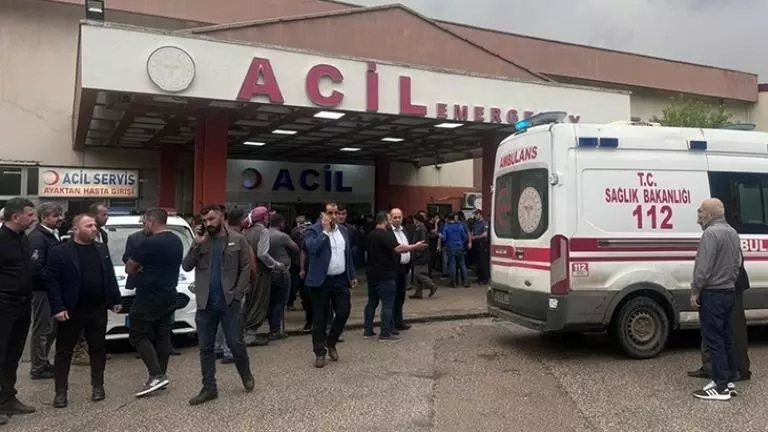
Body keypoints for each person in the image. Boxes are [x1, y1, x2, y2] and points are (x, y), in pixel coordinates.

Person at [182, 204, 254, 406]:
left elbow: (246, 267)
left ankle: (245, 373)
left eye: (212, 219)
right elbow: (186, 266)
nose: (208, 224)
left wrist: (237, 294)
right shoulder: (201, 241)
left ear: (222, 217)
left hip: (229, 303)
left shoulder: (238, 239)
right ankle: (209, 388)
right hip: (205, 304)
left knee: (235, 343)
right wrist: (196, 244)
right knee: (206, 348)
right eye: (205, 220)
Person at [47, 214, 122, 408]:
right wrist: (58, 307)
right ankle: (61, 392)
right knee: (64, 351)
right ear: (76, 229)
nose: (94, 229)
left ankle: (98, 386)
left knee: (98, 348)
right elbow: (52, 282)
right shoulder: (60, 251)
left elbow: (109, 274)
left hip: (97, 308)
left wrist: (115, 299)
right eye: (88, 226)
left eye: (94, 225)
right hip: (71, 310)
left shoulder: (101, 249)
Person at [125, 209, 183, 397]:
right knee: (163, 335)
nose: (144, 226)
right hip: (169, 294)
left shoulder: (147, 243)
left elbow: (130, 268)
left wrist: (141, 266)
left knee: (137, 335)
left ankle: (156, 375)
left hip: (148, 296)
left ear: (151, 222)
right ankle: (161, 376)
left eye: (145, 222)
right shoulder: (176, 240)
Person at [689, 198, 741, 401]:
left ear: (710, 214)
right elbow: (737, 264)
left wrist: (695, 291)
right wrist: (729, 281)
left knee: (714, 340)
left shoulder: (710, 234)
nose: (698, 217)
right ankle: (728, 380)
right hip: (728, 291)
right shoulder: (733, 233)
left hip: (712, 294)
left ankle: (721, 388)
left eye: (700, 212)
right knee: (727, 338)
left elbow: (703, 268)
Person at [304, 202, 357, 368]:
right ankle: (319, 352)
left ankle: (331, 341)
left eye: (336, 213)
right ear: (322, 214)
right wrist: (325, 232)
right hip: (321, 281)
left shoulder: (344, 231)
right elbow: (311, 248)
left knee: (343, 312)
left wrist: (352, 274)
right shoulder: (313, 230)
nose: (334, 216)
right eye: (330, 213)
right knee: (320, 318)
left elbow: (347, 255)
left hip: (340, 279)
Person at [0, 198, 37, 425]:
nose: (34, 219)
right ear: (16, 217)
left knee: (13, 354)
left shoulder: (23, 238)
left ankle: (7, 398)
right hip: (4, 305)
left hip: (22, 305)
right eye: (30, 215)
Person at [364, 212, 426, 340]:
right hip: (385, 274)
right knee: (388, 304)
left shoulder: (371, 234)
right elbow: (398, 248)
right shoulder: (384, 234)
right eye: (390, 219)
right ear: (385, 221)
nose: (391, 221)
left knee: (372, 302)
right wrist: (415, 246)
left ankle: (368, 330)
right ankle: (385, 332)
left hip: (372, 274)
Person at [71, 202, 112, 367]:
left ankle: (94, 350)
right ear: (94, 215)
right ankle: (79, 352)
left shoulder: (103, 235)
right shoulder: (77, 235)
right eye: (103, 214)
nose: (106, 217)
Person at [28, 203, 63, 380]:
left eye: (60, 215)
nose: (60, 218)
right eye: (55, 216)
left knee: (51, 328)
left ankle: (43, 362)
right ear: (44, 218)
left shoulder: (52, 235)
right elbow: (36, 266)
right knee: (42, 329)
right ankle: (38, 367)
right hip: (42, 290)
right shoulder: (38, 237)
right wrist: (49, 282)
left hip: (52, 290)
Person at [242, 206, 284, 346]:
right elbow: (262, 253)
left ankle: (245, 333)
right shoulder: (263, 231)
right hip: (261, 272)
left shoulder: (246, 230)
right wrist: (275, 264)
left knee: (249, 302)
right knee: (259, 302)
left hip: (247, 272)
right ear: (263, 217)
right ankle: (250, 334)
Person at [216, 207, 249, 364]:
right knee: (233, 320)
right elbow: (247, 265)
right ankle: (228, 350)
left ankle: (218, 347)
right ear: (242, 220)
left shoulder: (218, 236)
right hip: (234, 286)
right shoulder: (239, 238)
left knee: (221, 319)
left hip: (220, 285)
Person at [267, 213, 298, 340]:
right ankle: (276, 330)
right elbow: (295, 248)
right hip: (282, 270)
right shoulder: (282, 236)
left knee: (271, 301)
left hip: (269, 271)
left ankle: (272, 328)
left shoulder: (265, 234)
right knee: (280, 301)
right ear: (281, 223)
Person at [290, 216, 312, 332]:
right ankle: (310, 320)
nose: (304, 229)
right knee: (305, 295)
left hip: (312, 269)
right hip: (301, 267)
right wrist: (302, 269)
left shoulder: (315, 236)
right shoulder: (296, 234)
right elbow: (302, 253)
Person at [409, 213, 437, 299]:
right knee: (418, 275)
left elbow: (423, 243)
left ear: (417, 220)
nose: (413, 221)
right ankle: (418, 292)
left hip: (420, 255)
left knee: (418, 274)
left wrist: (418, 252)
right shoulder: (420, 228)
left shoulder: (422, 229)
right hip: (419, 255)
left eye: (414, 219)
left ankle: (431, 285)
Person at [470, 210, 490, 285]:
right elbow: (473, 232)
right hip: (476, 244)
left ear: (480, 215)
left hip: (483, 244)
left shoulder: (484, 223)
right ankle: (480, 277)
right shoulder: (475, 223)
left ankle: (485, 278)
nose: (475, 216)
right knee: (478, 262)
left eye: (476, 214)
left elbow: (485, 234)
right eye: (475, 215)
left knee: (483, 262)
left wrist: (475, 237)